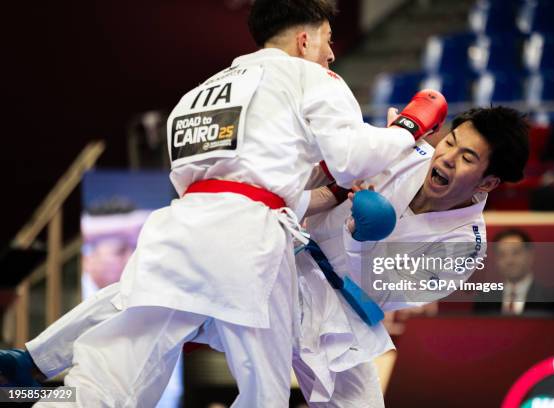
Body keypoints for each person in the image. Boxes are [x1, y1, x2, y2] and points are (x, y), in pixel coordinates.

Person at [0, 1, 447, 407]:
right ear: (305, 38)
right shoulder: (310, 75)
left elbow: (235, 180)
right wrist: (407, 130)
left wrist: (323, 194)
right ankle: (38, 359)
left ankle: (40, 363)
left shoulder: (198, 93)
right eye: (329, 41)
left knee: (111, 372)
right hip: (249, 243)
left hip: (179, 229)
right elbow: (353, 158)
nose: (332, 55)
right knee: (263, 392)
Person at [290, 106, 530, 405]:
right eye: (450, 141)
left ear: (488, 182)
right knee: (263, 387)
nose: (446, 158)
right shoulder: (404, 153)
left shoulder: (465, 246)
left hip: (337, 314)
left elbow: (381, 293)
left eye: (467, 158)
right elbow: (313, 170)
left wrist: (362, 239)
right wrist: (375, 144)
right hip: (286, 259)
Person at [474, 228, 554, 317]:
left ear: (530, 255)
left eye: (515, 253)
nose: (509, 260)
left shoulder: (550, 298)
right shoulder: (484, 298)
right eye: (502, 254)